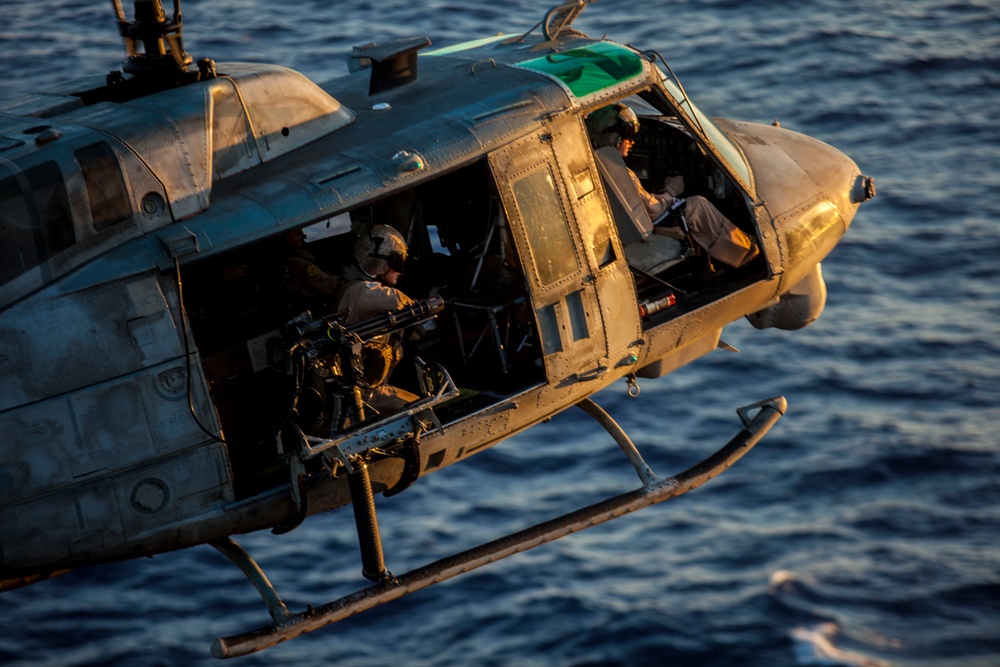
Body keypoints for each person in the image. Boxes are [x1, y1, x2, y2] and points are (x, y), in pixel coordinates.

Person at [586, 103, 758, 270]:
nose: (632, 142)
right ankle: (747, 253)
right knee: (697, 205)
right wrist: (671, 189)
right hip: (645, 230)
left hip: (621, 231)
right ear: (612, 137)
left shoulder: (593, 164)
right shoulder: (618, 172)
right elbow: (654, 210)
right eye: (628, 136)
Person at [335, 224, 419, 415]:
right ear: (380, 262)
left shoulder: (352, 286)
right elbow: (399, 301)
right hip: (363, 394)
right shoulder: (362, 292)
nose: (400, 270)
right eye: (397, 263)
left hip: (359, 387)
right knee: (422, 411)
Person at [281, 227, 342, 309]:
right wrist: (350, 280)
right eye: (292, 228)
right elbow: (329, 285)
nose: (301, 232)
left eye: (299, 226)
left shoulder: (300, 253)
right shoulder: (296, 263)